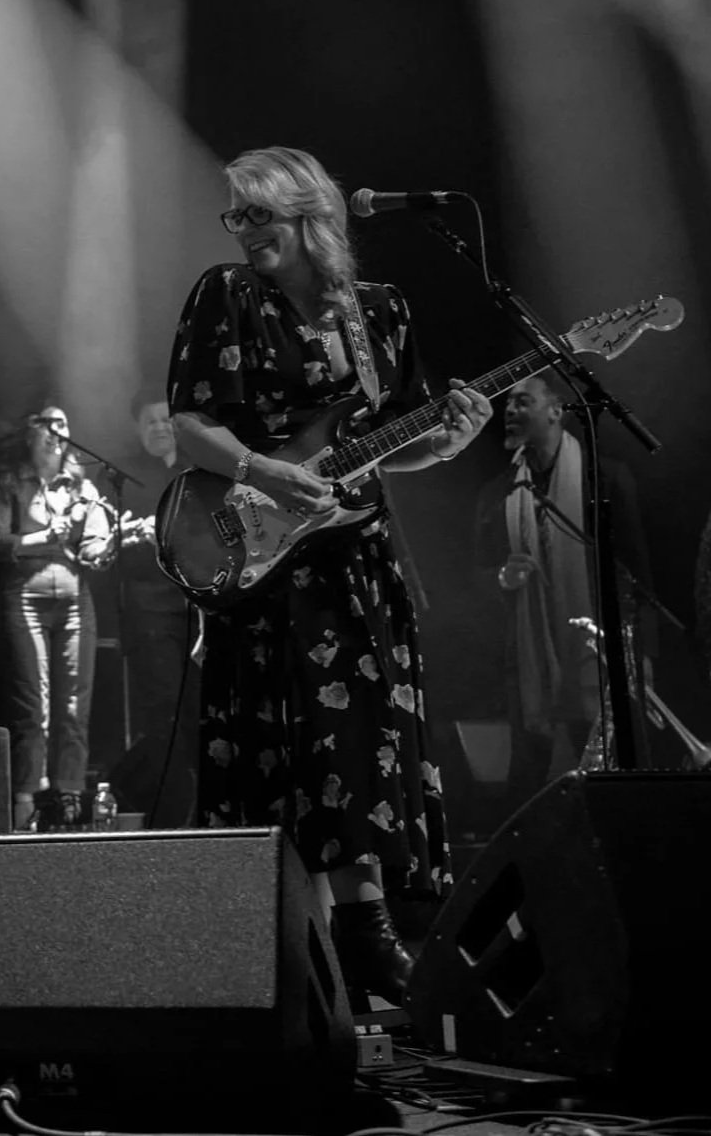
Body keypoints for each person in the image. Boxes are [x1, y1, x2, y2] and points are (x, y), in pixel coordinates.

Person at [166, 146, 490, 1004]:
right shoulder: (227, 294)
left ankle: (368, 938)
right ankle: (294, 954)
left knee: (361, 746)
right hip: (265, 559)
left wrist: (451, 438)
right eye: (234, 217)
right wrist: (266, 473)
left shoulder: (377, 313)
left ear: (309, 217)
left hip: (353, 559)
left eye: (255, 216)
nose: (241, 234)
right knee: (283, 750)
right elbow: (190, 423)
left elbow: (393, 442)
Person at [473, 373, 653, 787]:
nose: (510, 411)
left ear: (556, 411)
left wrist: (641, 654)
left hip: (601, 657)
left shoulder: (604, 480)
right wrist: (502, 577)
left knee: (615, 775)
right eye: (508, 405)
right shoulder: (496, 494)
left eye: (523, 402)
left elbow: (638, 574)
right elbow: (473, 579)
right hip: (529, 660)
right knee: (533, 782)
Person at [0, 406, 116, 831]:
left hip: (75, 599)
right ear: (30, 435)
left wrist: (112, 541)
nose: (57, 433)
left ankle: (71, 796)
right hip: (25, 597)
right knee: (34, 704)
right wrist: (44, 538)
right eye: (47, 425)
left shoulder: (84, 487)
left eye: (63, 426)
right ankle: (27, 801)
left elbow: (94, 550)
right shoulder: (11, 483)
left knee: (75, 705)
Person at [105, 388, 200, 827]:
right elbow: (107, 549)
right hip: (150, 610)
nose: (160, 428)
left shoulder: (199, 471)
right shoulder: (126, 481)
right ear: (137, 432)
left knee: (199, 709)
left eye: (166, 420)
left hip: (198, 607)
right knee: (164, 711)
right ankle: (166, 811)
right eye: (150, 423)